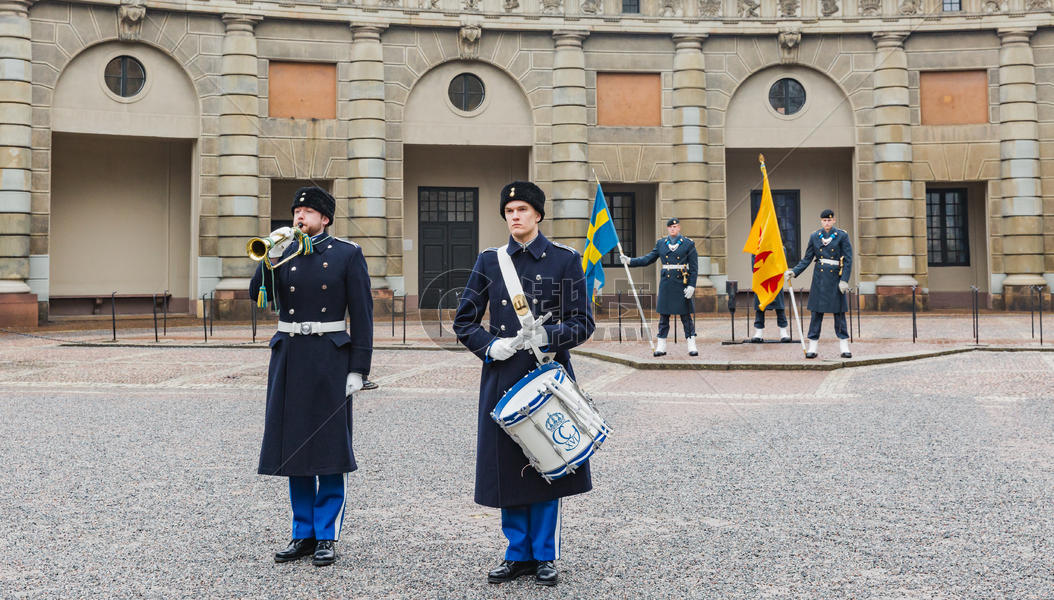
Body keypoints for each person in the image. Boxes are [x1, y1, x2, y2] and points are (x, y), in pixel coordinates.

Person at [453, 181, 596, 587]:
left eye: (522, 209)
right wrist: (489, 345)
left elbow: (583, 322)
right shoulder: (489, 260)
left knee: (550, 459)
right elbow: (464, 320)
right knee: (508, 465)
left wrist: (550, 337)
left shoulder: (566, 260)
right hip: (503, 372)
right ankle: (517, 553)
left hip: (547, 374)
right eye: (509, 210)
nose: (515, 216)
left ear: (538, 215)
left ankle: (545, 554)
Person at [249, 186, 373, 567]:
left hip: (329, 358)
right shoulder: (283, 253)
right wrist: (268, 258)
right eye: (296, 211)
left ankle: (327, 534)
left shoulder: (347, 254)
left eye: (307, 211)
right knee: (295, 446)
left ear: (325, 218)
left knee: (330, 449)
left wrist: (358, 369)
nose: (299, 217)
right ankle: (302, 532)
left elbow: (363, 316)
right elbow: (259, 296)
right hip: (290, 355)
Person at [620, 218, 699, 357]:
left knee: (686, 316)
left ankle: (691, 344)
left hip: (682, 283)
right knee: (664, 316)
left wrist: (692, 285)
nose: (673, 229)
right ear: (667, 229)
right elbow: (648, 259)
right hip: (666, 284)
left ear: (679, 227)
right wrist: (630, 261)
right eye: (670, 227)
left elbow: (694, 267)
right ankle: (661, 346)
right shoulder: (661, 243)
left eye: (675, 226)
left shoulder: (688, 244)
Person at [785, 208, 852, 359]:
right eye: (824, 220)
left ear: (834, 220)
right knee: (816, 313)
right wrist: (794, 271)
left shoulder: (842, 235)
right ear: (821, 221)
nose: (827, 222)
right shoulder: (815, 236)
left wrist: (844, 280)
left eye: (829, 220)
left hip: (835, 278)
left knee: (839, 313)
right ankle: (813, 346)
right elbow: (807, 258)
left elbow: (848, 260)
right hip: (819, 279)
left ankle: (844, 346)